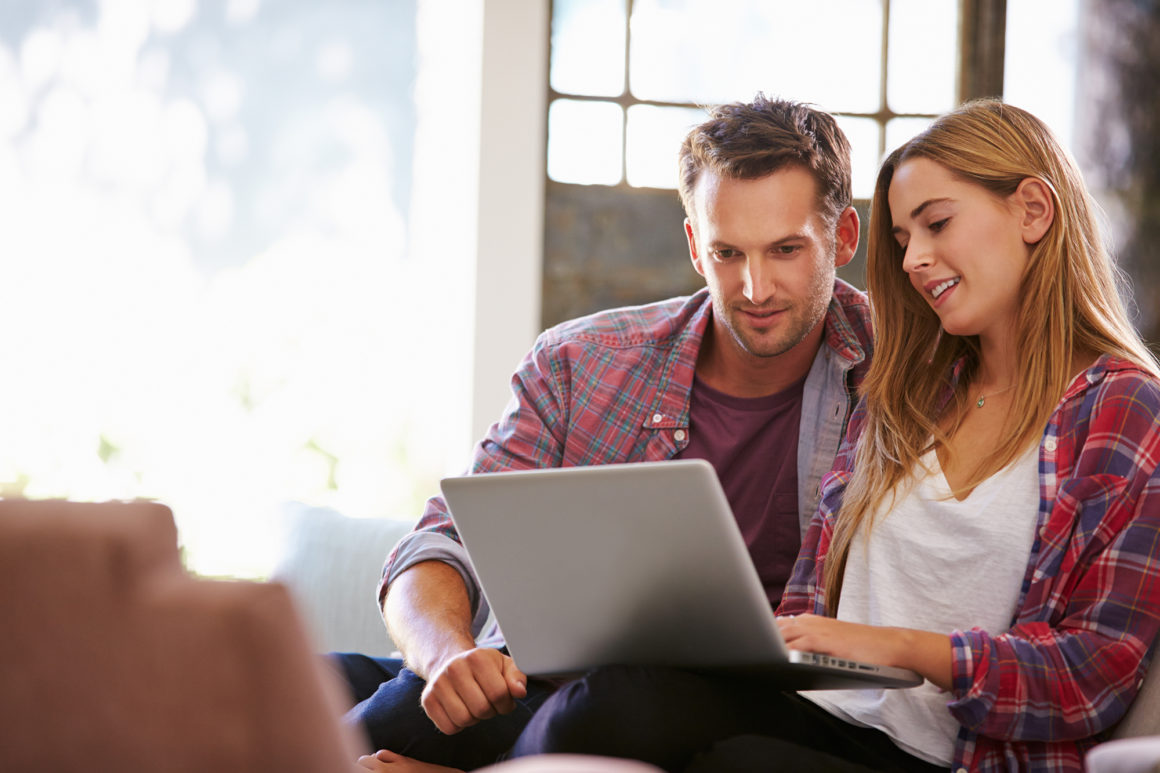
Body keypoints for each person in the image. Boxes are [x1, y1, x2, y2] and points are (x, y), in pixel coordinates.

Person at [505, 100, 1160, 772]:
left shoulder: (1124, 408)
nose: (914, 260)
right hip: (823, 719)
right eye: (904, 239)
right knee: (611, 701)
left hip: (950, 757)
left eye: (936, 224)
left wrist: (898, 646)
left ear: (1032, 210)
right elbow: (809, 602)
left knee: (734, 762)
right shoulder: (905, 390)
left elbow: (1094, 671)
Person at [332, 94, 871, 771]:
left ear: (844, 237)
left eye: (786, 249)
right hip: (542, 676)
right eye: (727, 252)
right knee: (373, 708)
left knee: (610, 705)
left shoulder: (897, 374)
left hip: (739, 705)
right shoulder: (580, 362)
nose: (755, 286)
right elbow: (441, 540)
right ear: (694, 249)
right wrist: (448, 654)